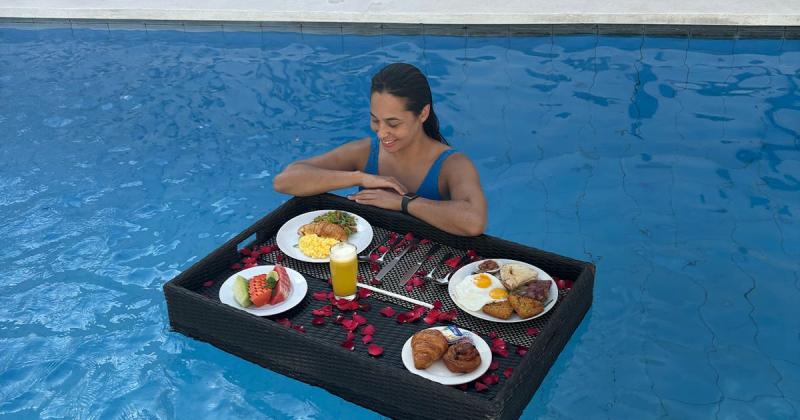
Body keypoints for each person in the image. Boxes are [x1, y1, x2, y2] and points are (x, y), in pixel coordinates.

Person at [273, 63, 487, 237]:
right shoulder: (365, 152)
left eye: (393, 123)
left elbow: (474, 222)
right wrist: (360, 177)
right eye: (375, 120)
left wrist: (403, 202)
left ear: (423, 114)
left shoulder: (452, 165)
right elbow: (284, 181)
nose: (381, 133)